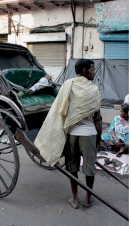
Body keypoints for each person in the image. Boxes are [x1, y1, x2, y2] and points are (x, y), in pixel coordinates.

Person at [34, 59, 102, 209]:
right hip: (89, 134)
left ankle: (75, 199)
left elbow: (58, 111)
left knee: (72, 167)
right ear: (85, 71)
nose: (94, 71)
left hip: (72, 135)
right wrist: (99, 138)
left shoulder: (67, 85)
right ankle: (88, 199)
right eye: (92, 69)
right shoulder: (93, 89)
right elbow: (98, 118)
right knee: (89, 169)